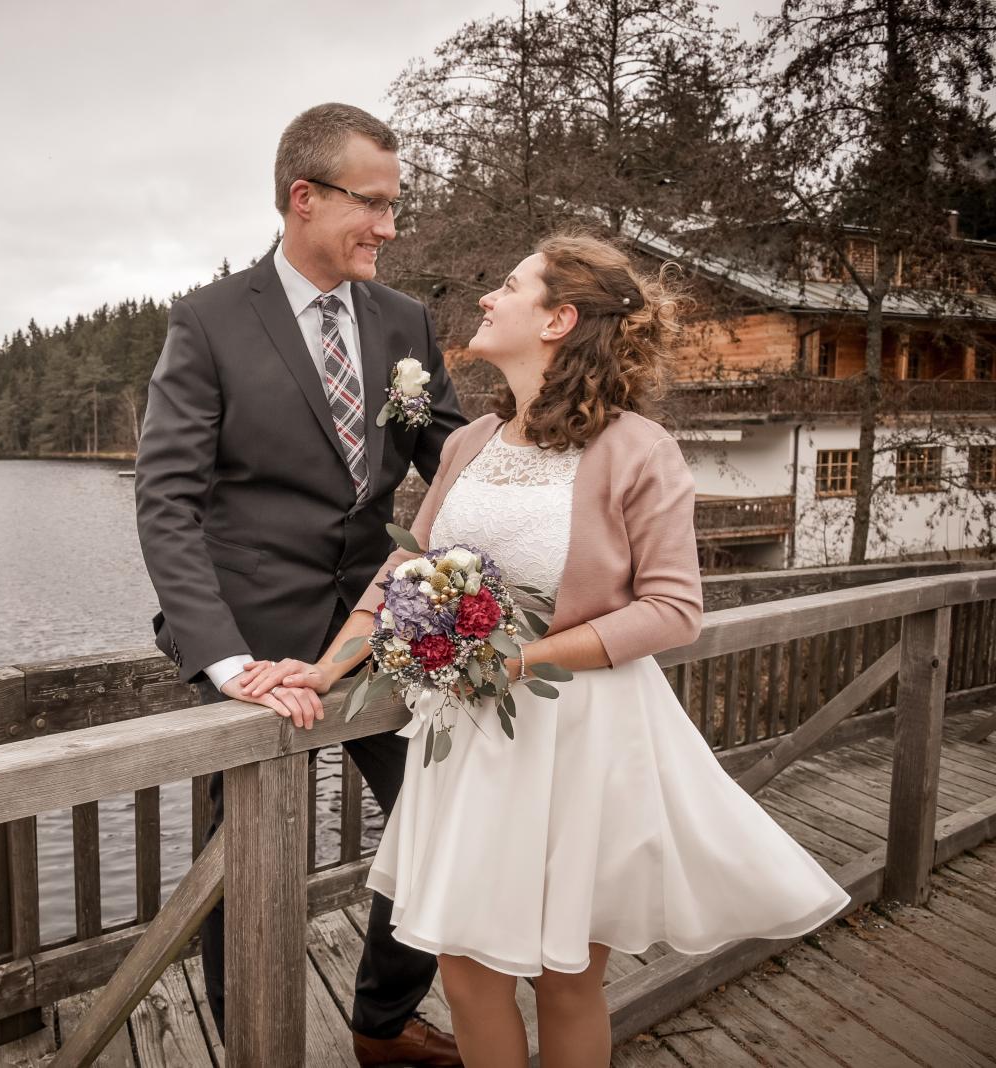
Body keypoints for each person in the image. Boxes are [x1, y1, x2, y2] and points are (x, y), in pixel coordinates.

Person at [239, 231, 852, 1067]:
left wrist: (519, 662)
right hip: (471, 748)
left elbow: (674, 610)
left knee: (565, 976)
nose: (488, 297)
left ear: (560, 319)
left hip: (577, 736)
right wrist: (327, 666)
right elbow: (406, 568)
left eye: (510, 285)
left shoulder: (639, 449)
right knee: (464, 970)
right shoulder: (467, 443)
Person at [134, 102, 467, 1064]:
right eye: (374, 204)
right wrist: (228, 660)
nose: (391, 228)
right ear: (304, 198)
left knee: (440, 815)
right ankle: (253, 1043)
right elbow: (168, 503)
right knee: (243, 865)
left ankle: (385, 1021)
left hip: (381, 634)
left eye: (397, 205)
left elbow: (453, 459)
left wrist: (566, 461)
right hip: (254, 642)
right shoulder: (209, 321)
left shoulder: (404, 319)